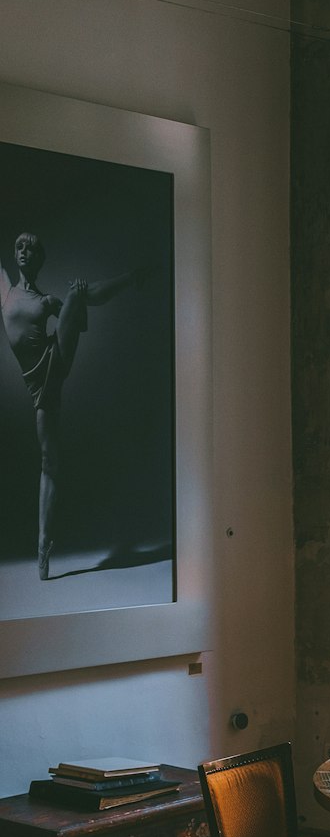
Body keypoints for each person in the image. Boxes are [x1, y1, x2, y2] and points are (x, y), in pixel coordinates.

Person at [0, 232, 145, 579]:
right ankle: (43, 547)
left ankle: (132, 278)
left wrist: (74, 299)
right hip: (39, 385)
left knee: (77, 294)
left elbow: (75, 317)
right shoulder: (5, 289)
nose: (23, 250)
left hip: (57, 358)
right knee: (50, 462)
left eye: (31, 247)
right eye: (19, 246)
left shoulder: (46, 301)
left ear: (39, 258)